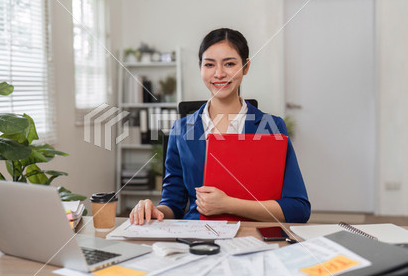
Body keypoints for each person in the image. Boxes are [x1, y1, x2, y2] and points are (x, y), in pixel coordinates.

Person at [129, 28, 310, 225]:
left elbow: (298, 208)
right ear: (200, 68)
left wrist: (228, 204)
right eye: (209, 64)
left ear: (246, 67)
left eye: (230, 64)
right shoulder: (181, 130)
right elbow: (173, 203)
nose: (219, 73)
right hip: (198, 235)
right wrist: (155, 210)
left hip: (254, 233)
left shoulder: (271, 127)